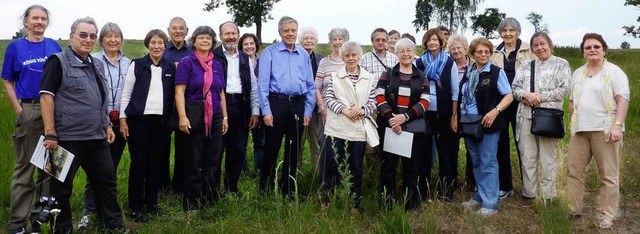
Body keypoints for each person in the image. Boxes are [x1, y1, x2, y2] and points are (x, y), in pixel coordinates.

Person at [40, 16, 126, 233]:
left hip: (96, 138)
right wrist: (50, 133)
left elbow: (101, 98)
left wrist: (106, 125)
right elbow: (46, 97)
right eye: (83, 35)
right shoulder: (57, 61)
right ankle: (62, 228)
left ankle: (113, 225)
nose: (88, 40)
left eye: (92, 36)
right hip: (66, 139)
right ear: (72, 36)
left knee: (106, 182)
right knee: (60, 188)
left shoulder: (95, 64)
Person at [3, 5, 61, 234]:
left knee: (48, 168)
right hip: (29, 107)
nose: (39, 22)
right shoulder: (15, 47)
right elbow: (8, 81)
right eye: (35, 18)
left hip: (54, 112)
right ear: (26, 21)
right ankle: (17, 223)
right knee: (25, 168)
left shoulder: (54, 46)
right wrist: (19, 110)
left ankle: (38, 219)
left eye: (43, 18)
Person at [567, 33, 630, 229]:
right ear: (583, 52)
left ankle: (607, 214)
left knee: (608, 175)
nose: (592, 50)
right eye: (588, 47)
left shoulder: (614, 72)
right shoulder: (578, 73)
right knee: (573, 172)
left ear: (604, 49)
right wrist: (573, 121)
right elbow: (571, 102)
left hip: (605, 131)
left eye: (596, 46)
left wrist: (617, 125)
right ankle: (573, 209)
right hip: (579, 132)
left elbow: (622, 99)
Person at [79, 22, 131, 230]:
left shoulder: (128, 63)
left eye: (117, 36)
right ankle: (88, 212)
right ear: (101, 39)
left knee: (110, 170)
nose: (113, 40)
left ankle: (106, 211)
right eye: (108, 36)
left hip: (122, 122)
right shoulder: (93, 61)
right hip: (99, 122)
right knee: (96, 170)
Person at [119, 29, 175, 222]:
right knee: (139, 163)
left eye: (161, 43)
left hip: (161, 123)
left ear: (165, 45)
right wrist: (123, 119)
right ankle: (135, 207)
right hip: (138, 122)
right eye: (153, 42)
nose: (157, 46)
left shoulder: (170, 67)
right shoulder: (137, 65)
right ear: (147, 44)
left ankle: (152, 203)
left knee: (156, 164)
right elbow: (126, 94)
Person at [257, 16, 315, 199]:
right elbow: (262, 85)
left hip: (298, 105)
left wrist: (307, 111)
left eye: (293, 30)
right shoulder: (270, 53)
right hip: (277, 104)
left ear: (297, 32)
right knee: (271, 148)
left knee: (294, 149)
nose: (290, 33)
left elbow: (310, 85)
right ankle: (265, 190)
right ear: (280, 32)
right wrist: (266, 110)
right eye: (286, 30)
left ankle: (288, 189)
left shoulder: (304, 54)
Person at [511, 32, 570, 207]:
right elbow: (515, 89)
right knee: (527, 156)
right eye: (535, 45)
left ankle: (547, 196)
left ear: (550, 44)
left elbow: (563, 91)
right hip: (526, 116)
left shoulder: (562, 64)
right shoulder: (525, 65)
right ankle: (529, 194)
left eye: (542, 44)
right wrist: (526, 95)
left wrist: (540, 97)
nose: (539, 48)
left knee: (547, 158)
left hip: (548, 117)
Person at [175, 26, 228, 212]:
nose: (205, 41)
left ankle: (209, 199)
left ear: (213, 42)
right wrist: (182, 116)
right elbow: (179, 92)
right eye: (201, 38)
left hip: (215, 115)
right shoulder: (186, 62)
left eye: (208, 38)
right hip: (194, 114)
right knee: (193, 159)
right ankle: (192, 202)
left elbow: (220, 92)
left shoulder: (217, 65)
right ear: (194, 41)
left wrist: (224, 117)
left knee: (212, 159)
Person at [458, 37, 513, 216]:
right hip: (469, 123)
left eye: (487, 52)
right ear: (472, 54)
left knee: (488, 162)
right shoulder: (470, 72)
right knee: (476, 161)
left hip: (488, 124)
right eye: (479, 51)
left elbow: (508, 96)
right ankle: (481, 196)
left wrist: (495, 111)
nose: (483, 54)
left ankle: (490, 204)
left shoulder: (496, 72)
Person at [321, 41, 376, 213]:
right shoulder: (334, 76)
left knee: (356, 166)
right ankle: (327, 201)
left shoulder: (369, 78)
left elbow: (373, 101)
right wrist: (345, 110)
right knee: (333, 164)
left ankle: (355, 203)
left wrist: (361, 110)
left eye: (354, 55)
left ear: (359, 56)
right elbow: (328, 98)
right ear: (343, 57)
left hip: (358, 127)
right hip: (337, 126)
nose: (351, 58)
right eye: (347, 55)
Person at [377, 38, 431, 210]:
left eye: (409, 50)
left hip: (412, 128)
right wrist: (392, 119)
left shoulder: (422, 76)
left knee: (412, 169)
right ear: (397, 53)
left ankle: (411, 204)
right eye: (402, 51)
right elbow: (379, 96)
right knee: (388, 169)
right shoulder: (388, 73)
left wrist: (404, 118)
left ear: (414, 53)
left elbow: (425, 102)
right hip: (390, 127)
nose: (406, 54)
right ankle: (387, 204)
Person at [489, 17, 535, 199]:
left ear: (518, 32)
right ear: (500, 33)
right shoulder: (494, 52)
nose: (508, 33)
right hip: (500, 104)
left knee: (523, 145)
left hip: (521, 103)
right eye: (504, 30)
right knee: (501, 145)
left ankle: (528, 188)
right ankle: (505, 186)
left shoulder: (528, 50)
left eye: (511, 30)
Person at [214, 22, 259, 193]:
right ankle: (212, 190)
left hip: (241, 107)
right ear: (220, 36)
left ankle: (231, 189)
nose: (230, 36)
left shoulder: (244, 58)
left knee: (238, 150)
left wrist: (255, 112)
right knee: (217, 150)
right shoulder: (214, 55)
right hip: (219, 107)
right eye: (227, 33)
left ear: (238, 35)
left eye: (233, 33)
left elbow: (253, 87)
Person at [415, 28, 459, 201]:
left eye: (435, 39)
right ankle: (423, 191)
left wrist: (454, 115)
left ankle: (446, 191)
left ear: (441, 42)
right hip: (424, 115)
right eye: (429, 40)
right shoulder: (419, 63)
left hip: (444, 113)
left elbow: (455, 90)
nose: (432, 42)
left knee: (445, 153)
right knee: (424, 154)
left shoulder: (449, 62)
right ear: (425, 43)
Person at [162, 16, 192, 194]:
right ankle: (162, 186)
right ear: (168, 30)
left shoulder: (193, 52)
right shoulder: (161, 50)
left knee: (184, 148)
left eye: (181, 28)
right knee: (161, 148)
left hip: (185, 107)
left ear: (187, 31)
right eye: (174, 28)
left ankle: (179, 186)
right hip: (164, 106)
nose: (178, 31)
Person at [314, 27, 349, 176]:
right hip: (327, 113)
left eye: (340, 39)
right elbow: (317, 87)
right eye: (334, 39)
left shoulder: (351, 60)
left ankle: (342, 181)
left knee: (344, 148)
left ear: (345, 41)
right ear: (330, 42)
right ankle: (325, 182)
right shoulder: (324, 62)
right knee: (326, 146)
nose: (337, 42)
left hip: (347, 113)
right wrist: (322, 110)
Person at [447, 34, 476, 190]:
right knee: (452, 147)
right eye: (453, 48)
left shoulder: (474, 66)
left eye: (459, 48)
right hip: (452, 110)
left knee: (472, 147)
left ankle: (472, 181)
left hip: (471, 112)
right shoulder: (448, 66)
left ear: (465, 48)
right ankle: (452, 182)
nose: (456, 51)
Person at [298, 26, 323, 170]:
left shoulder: (320, 59)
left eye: (311, 38)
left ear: (315, 41)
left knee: (316, 143)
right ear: (301, 41)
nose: (308, 41)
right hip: (300, 107)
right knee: (298, 143)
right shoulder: (296, 57)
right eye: (306, 38)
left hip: (316, 108)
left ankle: (317, 177)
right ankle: (294, 176)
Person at [239, 33, 265, 174]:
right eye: (245, 44)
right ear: (241, 47)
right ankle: (241, 171)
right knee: (240, 140)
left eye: (251, 44)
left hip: (260, 105)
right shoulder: (238, 62)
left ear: (256, 46)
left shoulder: (263, 62)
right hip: (242, 105)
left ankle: (259, 169)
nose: (249, 46)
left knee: (260, 140)